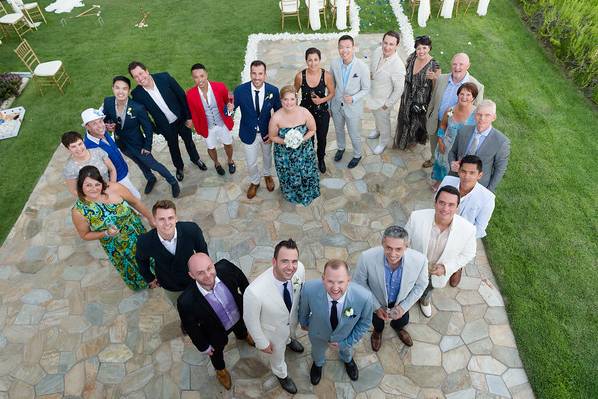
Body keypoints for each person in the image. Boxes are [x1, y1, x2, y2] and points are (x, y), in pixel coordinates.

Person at [177, 253, 255, 390]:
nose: (208, 275)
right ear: (192, 275)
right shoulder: (186, 301)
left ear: (213, 264)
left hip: (237, 315)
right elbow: (191, 327)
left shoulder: (226, 267)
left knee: (241, 328)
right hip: (215, 332)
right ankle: (221, 371)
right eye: (200, 273)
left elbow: (243, 282)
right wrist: (204, 346)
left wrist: (250, 302)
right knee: (216, 354)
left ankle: (243, 336)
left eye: (209, 268)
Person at [71, 166, 154, 291]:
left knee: (152, 255)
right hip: (117, 246)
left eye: (97, 184)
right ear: (80, 186)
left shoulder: (114, 188)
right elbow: (85, 235)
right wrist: (105, 233)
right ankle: (146, 282)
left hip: (137, 232)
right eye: (88, 185)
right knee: (133, 266)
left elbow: (135, 202)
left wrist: (151, 219)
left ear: (102, 182)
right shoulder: (78, 211)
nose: (94, 189)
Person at [243, 239, 305, 394]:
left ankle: (290, 340)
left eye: (294, 261)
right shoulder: (254, 292)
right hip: (273, 334)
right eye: (284, 261)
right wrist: (262, 342)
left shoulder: (300, 270)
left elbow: (299, 295)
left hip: (291, 322)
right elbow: (250, 321)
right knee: (277, 358)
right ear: (274, 261)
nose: (291, 267)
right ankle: (281, 374)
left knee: (290, 334)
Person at [128, 61, 207, 182]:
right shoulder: (137, 94)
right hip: (165, 126)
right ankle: (179, 168)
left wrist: (189, 117)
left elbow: (182, 96)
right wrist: (156, 129)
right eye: (136, 76)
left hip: (181, 119)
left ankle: (195, 159)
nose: (140, 78)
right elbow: (143, 117)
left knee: (189, 141)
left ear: (147, 71)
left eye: (141, 73)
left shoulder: (164, 77)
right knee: (173, 147)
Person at [102, 75, 180, 198]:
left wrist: (147, 146)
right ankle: (150, 178)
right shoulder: (108, 102)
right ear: (113, 88)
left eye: (124, 88)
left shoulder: (138, 107)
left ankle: (172, 181)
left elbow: (148, 128)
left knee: (153, 164)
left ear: (129, 91)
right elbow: (106, 118)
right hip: (122, 144)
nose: (120, 91)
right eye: (117, 88)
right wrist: (108, 125)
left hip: (138, 144)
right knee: (139, 163)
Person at [405, 186, 476, 318]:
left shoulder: (468, 230)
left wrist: (446, 268)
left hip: (436, 273)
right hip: (414, 268)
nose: (445, 209)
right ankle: (405, 300)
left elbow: (469, 254)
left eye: (451, 205)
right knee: (408, 286)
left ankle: (424, 300)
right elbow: (404, 242)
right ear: (435, 202)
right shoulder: (416, 217)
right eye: (442, 203)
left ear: (457, 208)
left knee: (429, 287)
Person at [298, 259, 373, 385]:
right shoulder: (308, 289)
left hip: (346, 336)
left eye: (341, 282)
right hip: (317, 334)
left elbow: (364, 323)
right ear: (323, 279)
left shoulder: (364, 297)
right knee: (317, 351)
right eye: (330, 281)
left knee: (347, 351)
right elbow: (303, 310)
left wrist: (347, 342)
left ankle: (348, 360)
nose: (335, 288)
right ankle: (318, 363)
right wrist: (304, 323)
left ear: (348, 280)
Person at [353, 226, 428, 350]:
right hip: (376, 300)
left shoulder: (420, 261)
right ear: (382, 244)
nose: (393, 254)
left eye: (398, 249)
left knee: (402, 321)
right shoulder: (366, 257)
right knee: (377, 322)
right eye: (388, 248)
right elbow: (359, 282)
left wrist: (403, 307)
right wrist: (376, 307)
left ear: (406, 247)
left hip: (402, 301)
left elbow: (421, 285)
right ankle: (377, 332)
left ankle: (398, 328)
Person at [136, 200, 209, 306]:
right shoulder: (145, 242)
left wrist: (205, 272)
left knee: (205, 304)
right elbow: (141, 260)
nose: (167, 223)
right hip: (169, 283)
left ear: (176, 218)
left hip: (194, 278)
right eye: (161, 219)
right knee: (182, 307)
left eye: (170, 218)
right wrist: (150, 278)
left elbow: (203, 251)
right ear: (154, 221)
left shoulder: (191, 230)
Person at [228, 60, 282, 199]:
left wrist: (274, 133)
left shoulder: (273, 91)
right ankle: (255, 181)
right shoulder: (240, 90)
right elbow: (231, 109)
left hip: (267, 133)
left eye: (260, 74)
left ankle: (267, 175)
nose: (257, 77)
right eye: (254, 73)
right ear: (250, 73)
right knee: (251, 161)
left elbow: (279, 113)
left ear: (265, 74)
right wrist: (229, 110)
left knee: (267, 157)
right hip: (248, 133)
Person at [423, 53, 484, 168]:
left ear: (468, 66)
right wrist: (429, 114)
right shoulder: (441, 78)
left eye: (461, 64)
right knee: (434, 144)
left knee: (450, 152)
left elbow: (476, 112)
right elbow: (434, 98)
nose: (457, 67)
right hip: (437, 120)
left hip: (456, 128)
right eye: (454, 64)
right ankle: (433, 158)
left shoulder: (477, 86)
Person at [268, 85, 320, 206]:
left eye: (292, 99)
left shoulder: (304, 112)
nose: (289, 102)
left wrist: (301, 139)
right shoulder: (276, 117)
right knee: (288, 174)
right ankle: (292, 194)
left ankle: (308, 191)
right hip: (284, 155)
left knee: (307, 173)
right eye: (285, 99)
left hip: (304, 152)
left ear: (296, 99)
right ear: (281, 100)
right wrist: (287, 141)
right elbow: (272, 137)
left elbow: (313, 129)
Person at [448, 99, 510, 192]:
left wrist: (488, 191)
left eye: (487, 115)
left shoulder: (501, 142)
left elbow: (499, 170)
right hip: (456, 177)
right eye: (479, 114)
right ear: (475, 115)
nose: (482, 118)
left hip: (479, 186)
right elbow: (453, 151)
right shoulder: (463, 130)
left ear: (494, 117)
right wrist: (452, 163)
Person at [186, 63, 236, 176]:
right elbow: (192, 111)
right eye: (196, 77)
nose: (200, 80)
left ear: (206, 75)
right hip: (207, 127)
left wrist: (229, 105)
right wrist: (193, 123)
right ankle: (216, 163)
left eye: (202, 76)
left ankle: (230, 160)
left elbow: (227, 101)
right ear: (193, 78)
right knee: (211, 147)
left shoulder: (220, 87)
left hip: (222, 123)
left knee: (228, 143)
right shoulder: (190, 94)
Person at [330, 34, 371, 169]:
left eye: (347, 47)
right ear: (338, 49)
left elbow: (366, 89)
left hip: (353, 108)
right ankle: (341, 148)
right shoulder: (334, 64)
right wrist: (330, 105)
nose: (344, 50)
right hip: (337, 106)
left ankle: (357, 154)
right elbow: (331, 86)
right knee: (339, 130)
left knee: (354, 134)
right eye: (341, 47)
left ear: (354, 48)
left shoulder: (362, 67)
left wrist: (353, 98)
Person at [81, 108, 141, 198]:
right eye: (94, 123)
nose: (100, 125)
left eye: (100, 121)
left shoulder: (101, 131)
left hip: (123, 169)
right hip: (118, 179)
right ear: (87, 127)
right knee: (135, 197)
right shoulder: (90, 147)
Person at [394, 35, 440, 151]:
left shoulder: (434, 65)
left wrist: (434, 78)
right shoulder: (412, 57)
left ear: (429, 48)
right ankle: (403, 140)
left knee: (416, 123)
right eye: (418, 48)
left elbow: (436, 88)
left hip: (421, 100)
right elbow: (405, 70)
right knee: (404, 118)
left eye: (424, 48)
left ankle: (412, 140)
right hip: (407, 94)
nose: (421, 51)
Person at [293, 47, 335, 173]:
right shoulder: (300, 76)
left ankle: (321, 159)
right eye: (310, 60)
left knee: (322, 138)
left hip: (322, 113)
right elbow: (294, 93)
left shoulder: (326, 75)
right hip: (305, 114)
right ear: (306, 61)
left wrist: (321, 101)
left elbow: (332, 93)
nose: (313, 63)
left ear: (320, 60)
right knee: (308, 139)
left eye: (316, 59)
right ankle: (310, 159)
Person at [431, 82, 478, 189]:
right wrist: (440, 141)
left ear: (473, 98)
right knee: (442, 164)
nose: (464, 97)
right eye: (462, 94)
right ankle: (440, 181)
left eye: (468, 95)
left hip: (463, 149)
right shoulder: (450, 111)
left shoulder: (476, 115)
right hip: (446, 145)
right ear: (458, 95)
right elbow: (443, 125)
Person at [367, 31, 406, 155]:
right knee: (376, 117)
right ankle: (377, 130)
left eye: (391, 44)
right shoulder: (378, 51)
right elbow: (373, 66)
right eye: (385, 43)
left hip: (384, 102)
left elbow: (399, 89)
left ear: (396, 46)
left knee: (384, 122)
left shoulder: (398, 66)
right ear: (382, 42)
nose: (387, 47)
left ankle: (383, 142)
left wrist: (387, 104)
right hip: (373, 95)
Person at [440, 155, 496, 238]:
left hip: (463, 237)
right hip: (441, 228)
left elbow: (479, 230)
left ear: (479, 175)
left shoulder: (488, 199)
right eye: (463, 171)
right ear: (458, 171)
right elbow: (437, 205)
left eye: (472, 173)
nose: (466, 177)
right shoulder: (447, 181)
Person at [61, 131, 116, 197]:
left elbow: (112, 170)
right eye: (73, 146)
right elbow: (74, 191)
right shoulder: (70, 168)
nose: (79, 148)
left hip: (111, 190)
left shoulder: (98, 152)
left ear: (83, 142)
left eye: (80, 144)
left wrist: (112, 187)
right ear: (68, 149)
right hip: (92, 199)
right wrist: (94, 198)